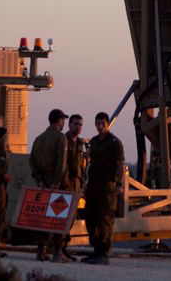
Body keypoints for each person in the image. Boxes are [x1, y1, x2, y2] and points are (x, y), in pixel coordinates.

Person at [83, 111, 124, 265]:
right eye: (97, 123)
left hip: (107, 186)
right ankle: (96, 250)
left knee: (105, 219)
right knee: (91, 218)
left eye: (102, 123)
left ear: (107, 124)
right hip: (93, 185)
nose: (100, 126)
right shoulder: (94, 141)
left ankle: (104, 252)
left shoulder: (114, 142)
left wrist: (119, 184)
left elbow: (120, 164)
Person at [30, 108, 69, 263]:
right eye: (63, 120)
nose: (64, 123)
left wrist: (39, 179)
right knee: (59, 216)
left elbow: (32, 160)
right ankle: (57, 252)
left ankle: (41, 251)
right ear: (58, 121)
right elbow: (62, 163)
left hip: (43, 183)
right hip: (57, 183)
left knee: (42, 218)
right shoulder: (61, 138)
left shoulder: (39, 138)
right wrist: (57, 182)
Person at [61, 113, 88, 260]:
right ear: (69, 125)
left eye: (81, 124)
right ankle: (60, 247)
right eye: (76, 124)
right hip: (65, 185)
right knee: (63, 217)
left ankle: (63, 247)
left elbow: (82, 164)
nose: (78, 127)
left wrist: (83, 181)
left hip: (76, 185)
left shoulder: (80, 143)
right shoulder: (63, 141)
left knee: (71, 218)